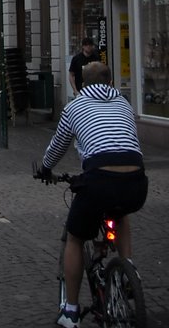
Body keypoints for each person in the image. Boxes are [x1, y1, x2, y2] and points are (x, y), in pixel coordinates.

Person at [39, 62, 148, 328]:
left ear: (81, 83)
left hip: (98, 180)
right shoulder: (124, 103)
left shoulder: (75, 106)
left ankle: (71, 312)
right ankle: (127, 271)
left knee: (76, 238)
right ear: (110, 81)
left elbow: (58, 146)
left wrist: (45, 169)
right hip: (136, 181)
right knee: (120, 215)